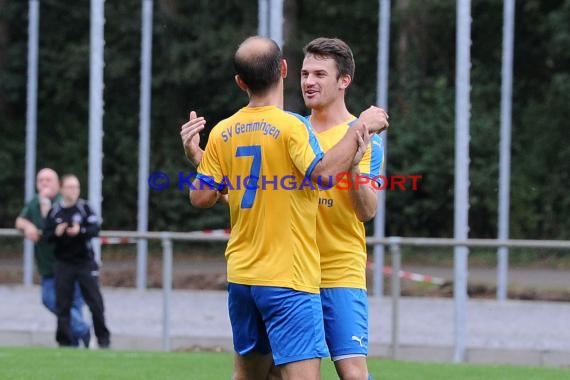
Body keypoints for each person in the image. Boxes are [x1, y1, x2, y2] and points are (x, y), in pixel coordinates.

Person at [182, 37, 386, 380]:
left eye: (320, 74)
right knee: (276, 374)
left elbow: (366, 211)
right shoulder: (291, 127)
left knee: (352, 373)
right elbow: (255, 190)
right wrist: (202, 161)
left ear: (344, 80)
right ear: (288, 72)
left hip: (337, 268)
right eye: (305, 73)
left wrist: (352, 164)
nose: (309, 81)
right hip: (291, 272)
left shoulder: (368, 143)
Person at [15, 168, 91, 347]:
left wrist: (45, 208)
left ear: (58, 185)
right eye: (40, 180)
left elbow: (50, 225)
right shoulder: (35, 201)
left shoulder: (62, 203)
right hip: (49, 268)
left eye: (48, 180)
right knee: (51, 300)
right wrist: (27, 225)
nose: (44, 184)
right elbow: (20, 220)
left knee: (73, 303)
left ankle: (77, 337)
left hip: (69, 265)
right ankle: (79, 333)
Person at [43, 174, 111, 349]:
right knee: (63, 304)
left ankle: (103, 341)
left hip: (84, 263)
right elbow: (46, 235)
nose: (74, 191)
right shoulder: (55, 210)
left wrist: (80, 231)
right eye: (70, 187)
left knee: (95, 302)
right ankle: (64, 342)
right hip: (63, 263)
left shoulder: (85, 208)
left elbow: (95, 228)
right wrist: (57, 233)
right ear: (62, 189)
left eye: (77, 187)